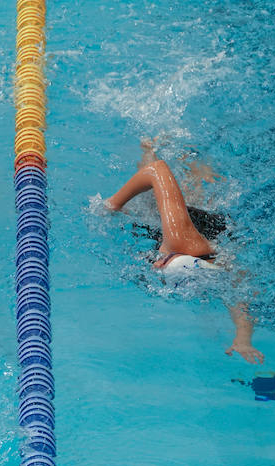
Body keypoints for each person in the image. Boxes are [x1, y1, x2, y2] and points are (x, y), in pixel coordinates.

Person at [104, 140, 264, 364]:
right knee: (157, 197)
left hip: (211, 247)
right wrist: (113, 204)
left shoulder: (219, 271)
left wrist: (243, 339)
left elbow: (240, 298)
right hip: (201, 228)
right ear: (165, 259)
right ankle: (156, 147)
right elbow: (157, 169)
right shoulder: (180, 240)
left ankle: (194, 166)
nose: (154, 265)